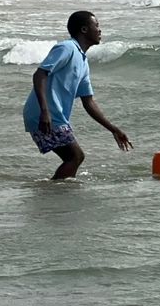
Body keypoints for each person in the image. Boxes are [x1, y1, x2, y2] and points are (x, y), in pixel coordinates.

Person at [23, 11, 132, 180]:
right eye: (96, 26)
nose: (100, 30)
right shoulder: (67, 48)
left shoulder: (83, 61)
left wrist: (113, 129)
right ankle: (53, 196)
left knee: (73, 157)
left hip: (54, 116)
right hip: (43, 115)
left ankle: (57, 194)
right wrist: (45, 112)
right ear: (83, 29)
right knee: (75, 156)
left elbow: (88, 102)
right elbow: (39, 74)